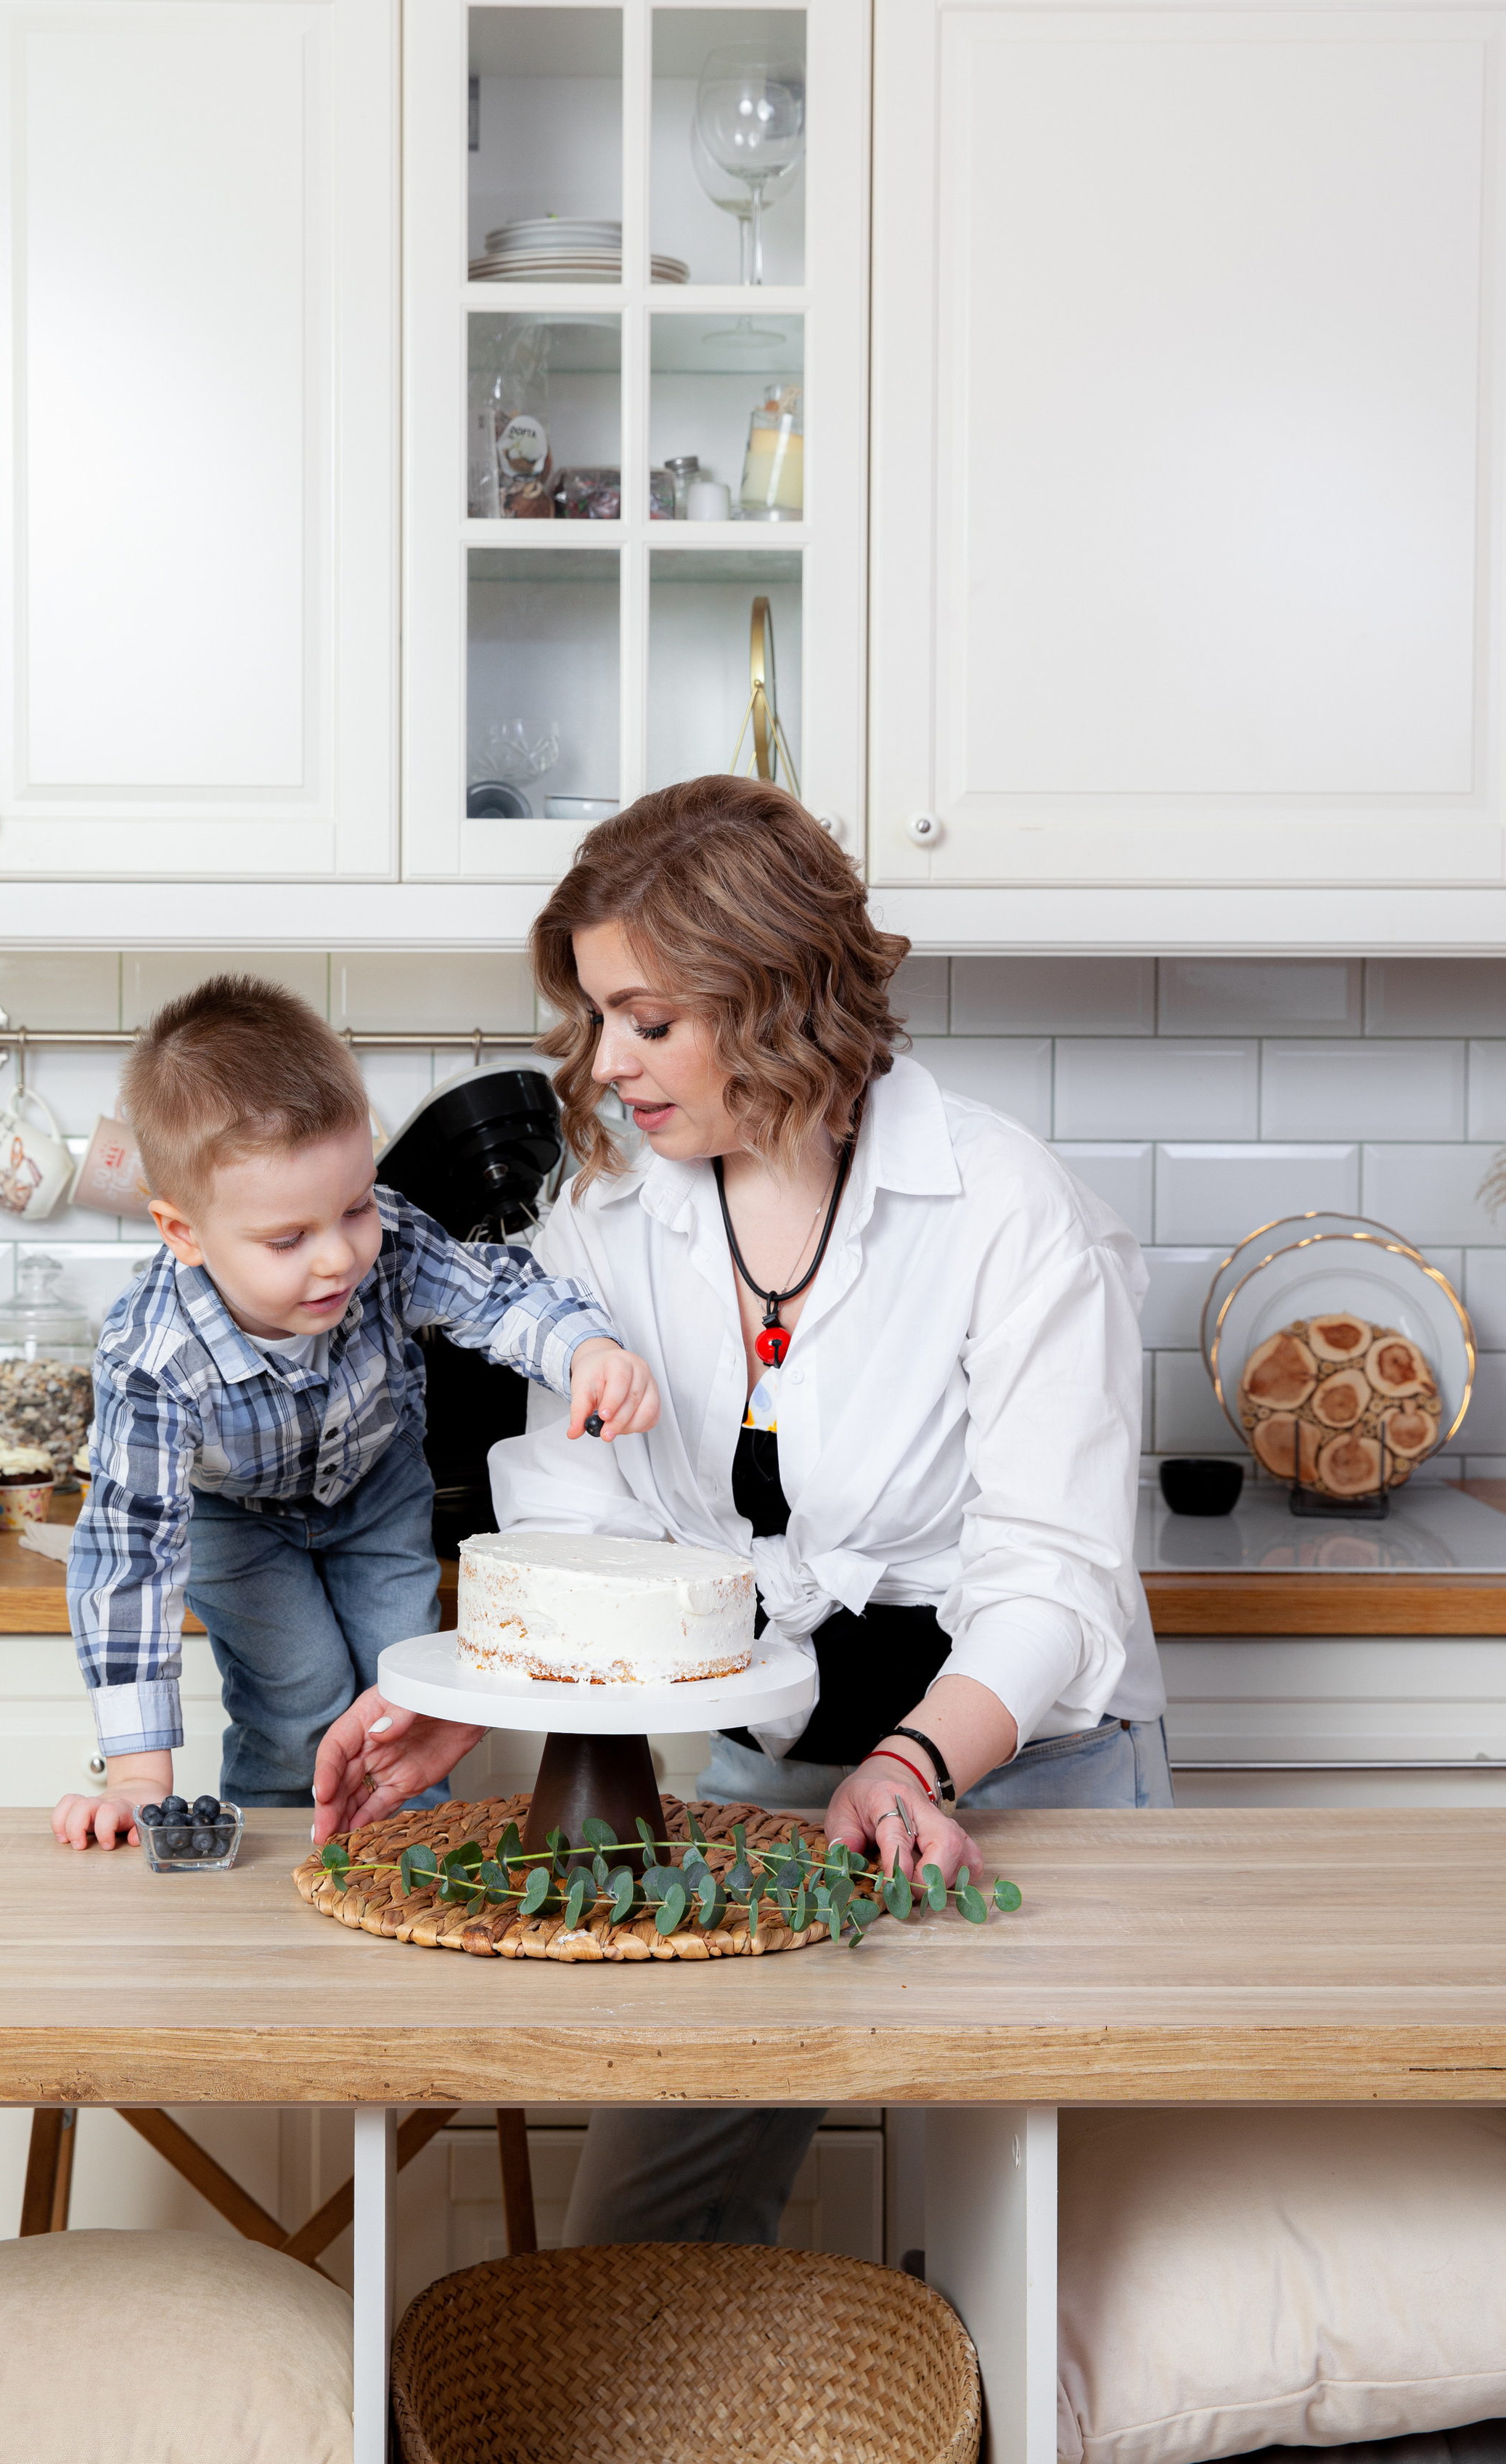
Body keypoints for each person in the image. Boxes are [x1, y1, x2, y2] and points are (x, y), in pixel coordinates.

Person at [312, 778, 1168, 2247]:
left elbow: (1050, 1576)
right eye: (597, 1017)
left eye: (648, 1021)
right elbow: (579, 1521)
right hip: (770, 1785)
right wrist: (493, 1695)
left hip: (1034, 1780)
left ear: (774, 998)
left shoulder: (1011, 1211)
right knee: (637, 2244)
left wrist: (912, 1765)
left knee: (1036, 2265)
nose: (606, 1064)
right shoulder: (604, 1217)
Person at [52, 973, 659, 1848]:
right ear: (183, 1233)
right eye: (288, 1239)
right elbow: (129, 1559)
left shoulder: (392, 1241)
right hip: (237, 1522)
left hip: (377, 1492)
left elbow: (494, 1295)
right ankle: (268, 1873)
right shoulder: (151, 1358)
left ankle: (410, 1862)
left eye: (355, 1205)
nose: (339, 1256)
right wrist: (138, 1777)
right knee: (297, 1696)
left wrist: (585, 1349)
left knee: (403, 1692)